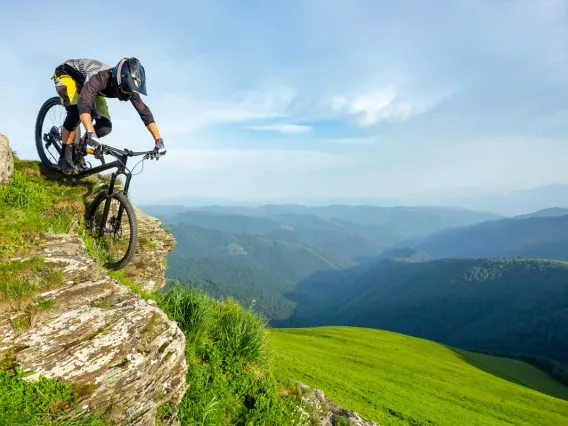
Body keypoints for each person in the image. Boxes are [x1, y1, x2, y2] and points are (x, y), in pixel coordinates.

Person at [52, 57, 166, 174]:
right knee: (76, 111)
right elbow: (84, 103)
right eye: (125, 89)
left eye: (129, 90)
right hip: (68, 75)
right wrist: (91, 132)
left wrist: (158, 140)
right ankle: (63, 157)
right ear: (118, 81)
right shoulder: (99, 78)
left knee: (105, 127)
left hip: (89, 85)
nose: (127, 93)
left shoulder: (128, 86)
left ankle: (79, 151)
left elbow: (144, 112)